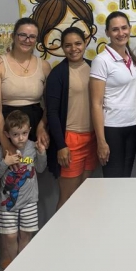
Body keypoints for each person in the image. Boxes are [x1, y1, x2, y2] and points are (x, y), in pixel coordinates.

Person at [0, 17, 51, 162]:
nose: (27, 40)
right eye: (22, 35)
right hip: (5, 125)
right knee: (5, 170)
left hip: (34, 123)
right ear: (13, 36)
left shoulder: (44, 66)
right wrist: (6, 143)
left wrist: (42, 126)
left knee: (30, 169)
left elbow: (49, 104)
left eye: (32, 36)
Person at [45, 27, 96, 209]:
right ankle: (61, 228)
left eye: (78, 43)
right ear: (62, 47)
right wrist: (61, 145)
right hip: (70, 141)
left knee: (85, 195)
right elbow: (52, 112)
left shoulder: (94, 67)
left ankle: (82, 228)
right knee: (68, 198)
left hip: (92, 139)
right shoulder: (57, 74)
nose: (73, 49)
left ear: (85, 43)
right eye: (68, 45)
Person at [0, 110, 47, 268]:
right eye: (15, 134)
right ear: (7, 134)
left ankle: (22, 267)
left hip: (29, 201)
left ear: (29, 130)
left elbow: (41, 169)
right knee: (10, 236)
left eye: (24, 133)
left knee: (26, 234)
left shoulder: (32, 147)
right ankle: (14, 266)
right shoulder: (0, 151)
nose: (20, 138)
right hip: (8, 203)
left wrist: (42, 154)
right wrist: (5, 163)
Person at [89, 11, 136, 178]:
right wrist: (101, 141)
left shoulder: (131, 57)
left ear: (130, 29)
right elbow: (96, 104)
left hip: (133, 125)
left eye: (124, 28)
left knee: (126, 178)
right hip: (112, 129)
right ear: (107, 33)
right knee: (113, 180)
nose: (121, 33)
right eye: (115, 29)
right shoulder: (101, 60)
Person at [30, 0, 97, 59]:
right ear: (41, 46)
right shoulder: (53, 68)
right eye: (57, 40)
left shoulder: (94, 65)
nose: (73, 48)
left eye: (78, 42)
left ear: (92, 30)